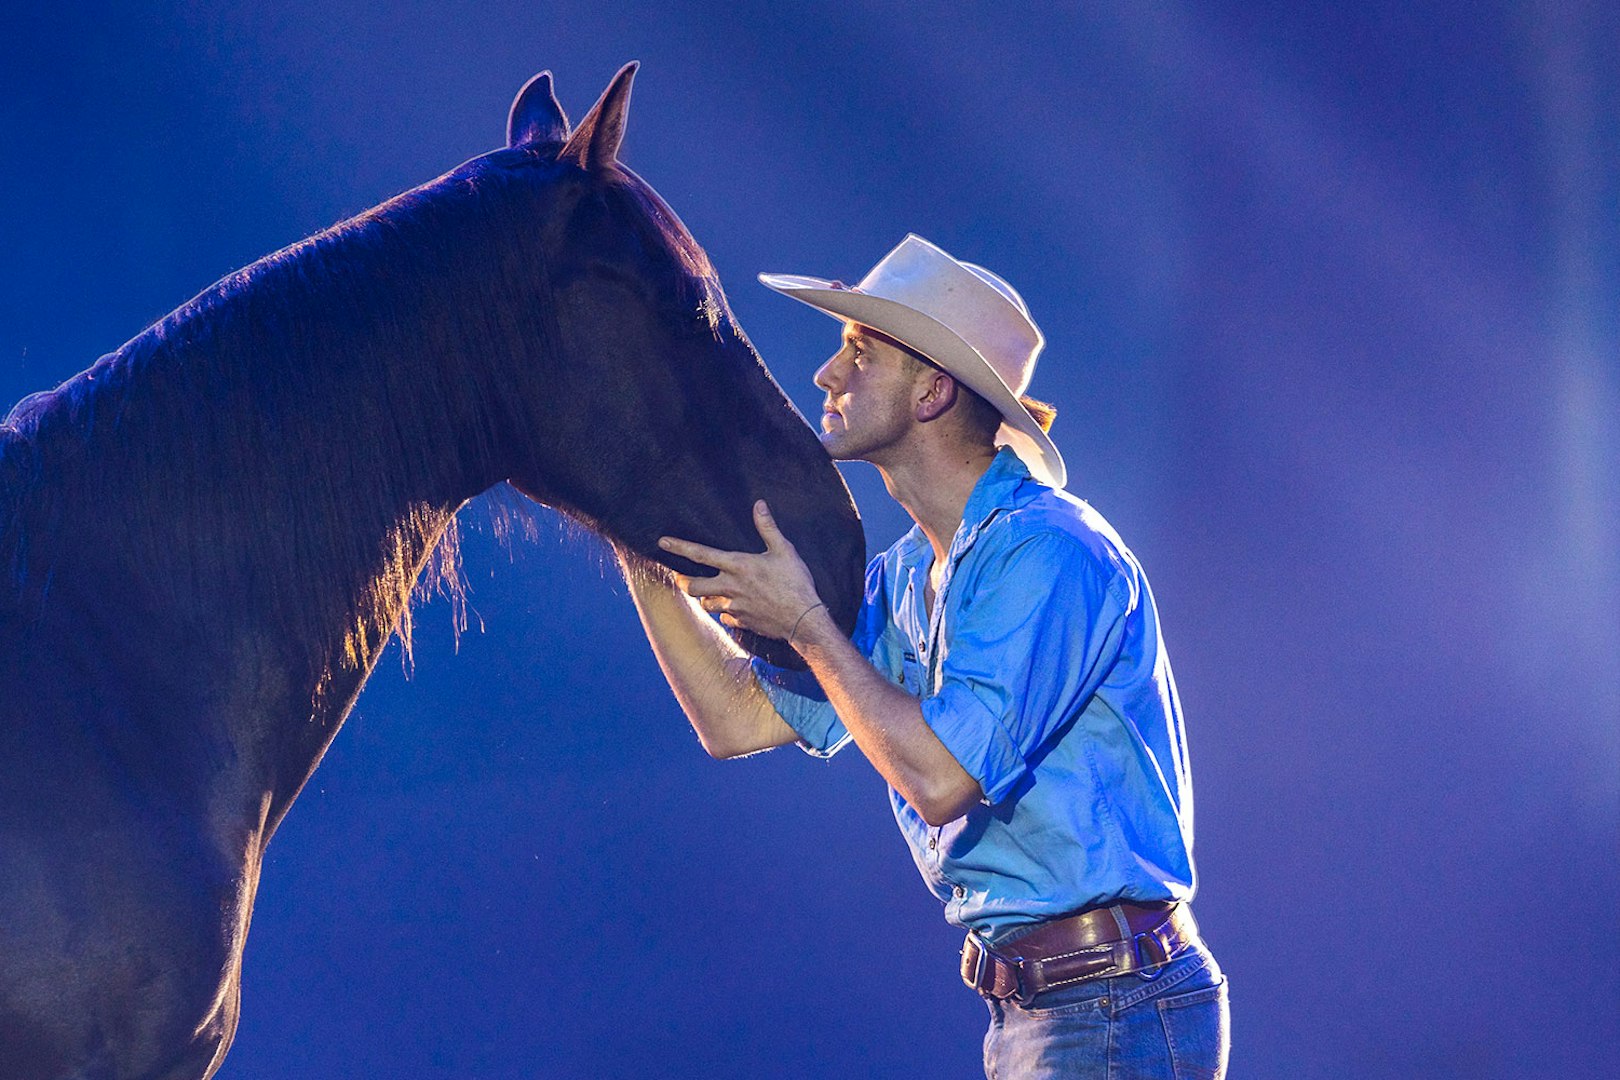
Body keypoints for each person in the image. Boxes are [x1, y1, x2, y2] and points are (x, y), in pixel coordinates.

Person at [621, 234, 1229, 1078]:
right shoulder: (907, 575)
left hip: (1112, 1007)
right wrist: (629, 525)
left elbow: (942, 780)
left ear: (935, 390)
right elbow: (733, 720)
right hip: (1047, 1009)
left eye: (860, 353)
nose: (828, 377)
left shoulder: (1051, 554)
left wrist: (805, 622)